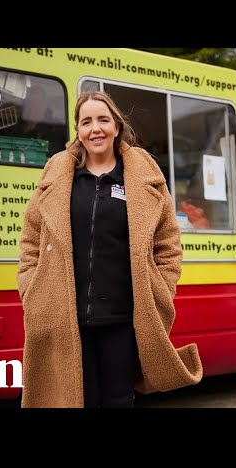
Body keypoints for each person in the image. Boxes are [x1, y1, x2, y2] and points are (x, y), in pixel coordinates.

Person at [16, 91, 203, 408]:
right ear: (78, 130)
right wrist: (30, 288)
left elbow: (168, 245)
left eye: (103, 120)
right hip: (66, 319)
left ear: (117, 126)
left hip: (123, 321)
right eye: (86, 122)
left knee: (118, 401)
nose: (95, 129)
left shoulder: (142, 176)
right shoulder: (59, 176)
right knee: (75, 401)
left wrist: (161, 288)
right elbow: (31, 239)